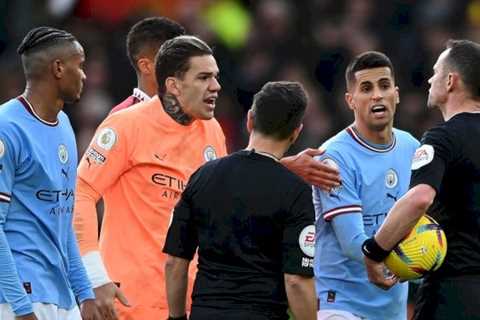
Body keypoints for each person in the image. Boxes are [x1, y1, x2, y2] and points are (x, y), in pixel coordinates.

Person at [74, 25, 340, 319]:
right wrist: (95, 277)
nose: (216, 86)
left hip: (189, 304)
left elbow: (226, 193)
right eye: (203, 78)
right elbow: (82, 192)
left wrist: (283, 167)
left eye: (215, 76)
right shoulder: (125, 126)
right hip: (129, 302)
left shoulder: (212, 132)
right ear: (174, 85)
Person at [163, 81, 317, 320]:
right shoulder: (296, 192)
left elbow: (175, 261)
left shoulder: (203, 176)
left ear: (250, 120)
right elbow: (296, 280)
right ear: (296, 132)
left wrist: (176, 318)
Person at [363, 39, 480, 320]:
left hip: (454, 293)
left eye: (436, 71)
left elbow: (420, 198)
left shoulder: (441, 139)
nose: (430, 78)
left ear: (451, 81)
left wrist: (374, 250)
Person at [0, 27, 100, 320]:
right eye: (79, 65)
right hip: (21, 297)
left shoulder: (65, 125)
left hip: (62, 295)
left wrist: (85, 292)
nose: (84, 75)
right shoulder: (7, 127)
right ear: (58, 68)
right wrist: (20, 306)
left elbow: (61, 216)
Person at [313, 51, 419, 320]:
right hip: (341, 305)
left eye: (384, 86)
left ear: (396, 94)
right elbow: (351, 243)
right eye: (366, 88)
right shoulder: (334, 157)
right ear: (351, 100)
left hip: (392, 309)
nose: (377, 95)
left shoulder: (412, 148)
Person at [109, 16, 185, 114]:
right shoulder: (120, 118)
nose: (184, 68)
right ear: (145, 66)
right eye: (175, 61)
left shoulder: (195, 113)